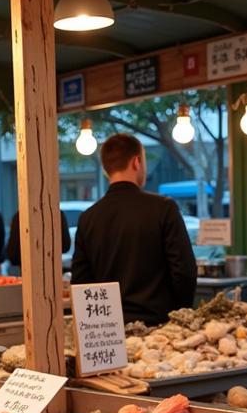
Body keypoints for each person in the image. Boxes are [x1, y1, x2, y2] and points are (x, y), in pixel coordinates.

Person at [71, 133, 196, 325]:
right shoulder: (163, 208)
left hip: (108, 334)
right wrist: (180, 314)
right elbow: (184, 271)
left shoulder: (88, 218)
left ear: (106, 169)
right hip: (159, 328)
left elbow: (81, 285)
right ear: (137, 162)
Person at [5, 209, 71, 270]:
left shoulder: (20, 216)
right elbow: (66, 246)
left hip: (27, 271)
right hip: (53, 270)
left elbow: (13, 254)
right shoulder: (57, 214)